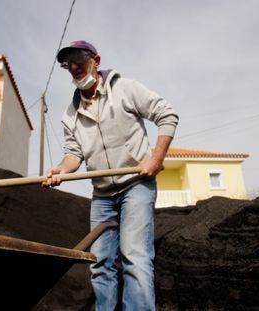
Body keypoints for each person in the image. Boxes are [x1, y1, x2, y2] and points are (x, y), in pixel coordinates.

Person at [43, 40, 179, 310]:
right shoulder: (70, 114)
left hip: (136, 186)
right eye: (68, 64)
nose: (74, 67)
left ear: (96, 60)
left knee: (134, 256)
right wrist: (60, 169)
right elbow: (73, 154)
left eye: (79, 60)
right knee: (99, 262)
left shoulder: (125, 89)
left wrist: (156, 158)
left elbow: (167, 114)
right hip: (102, 195)